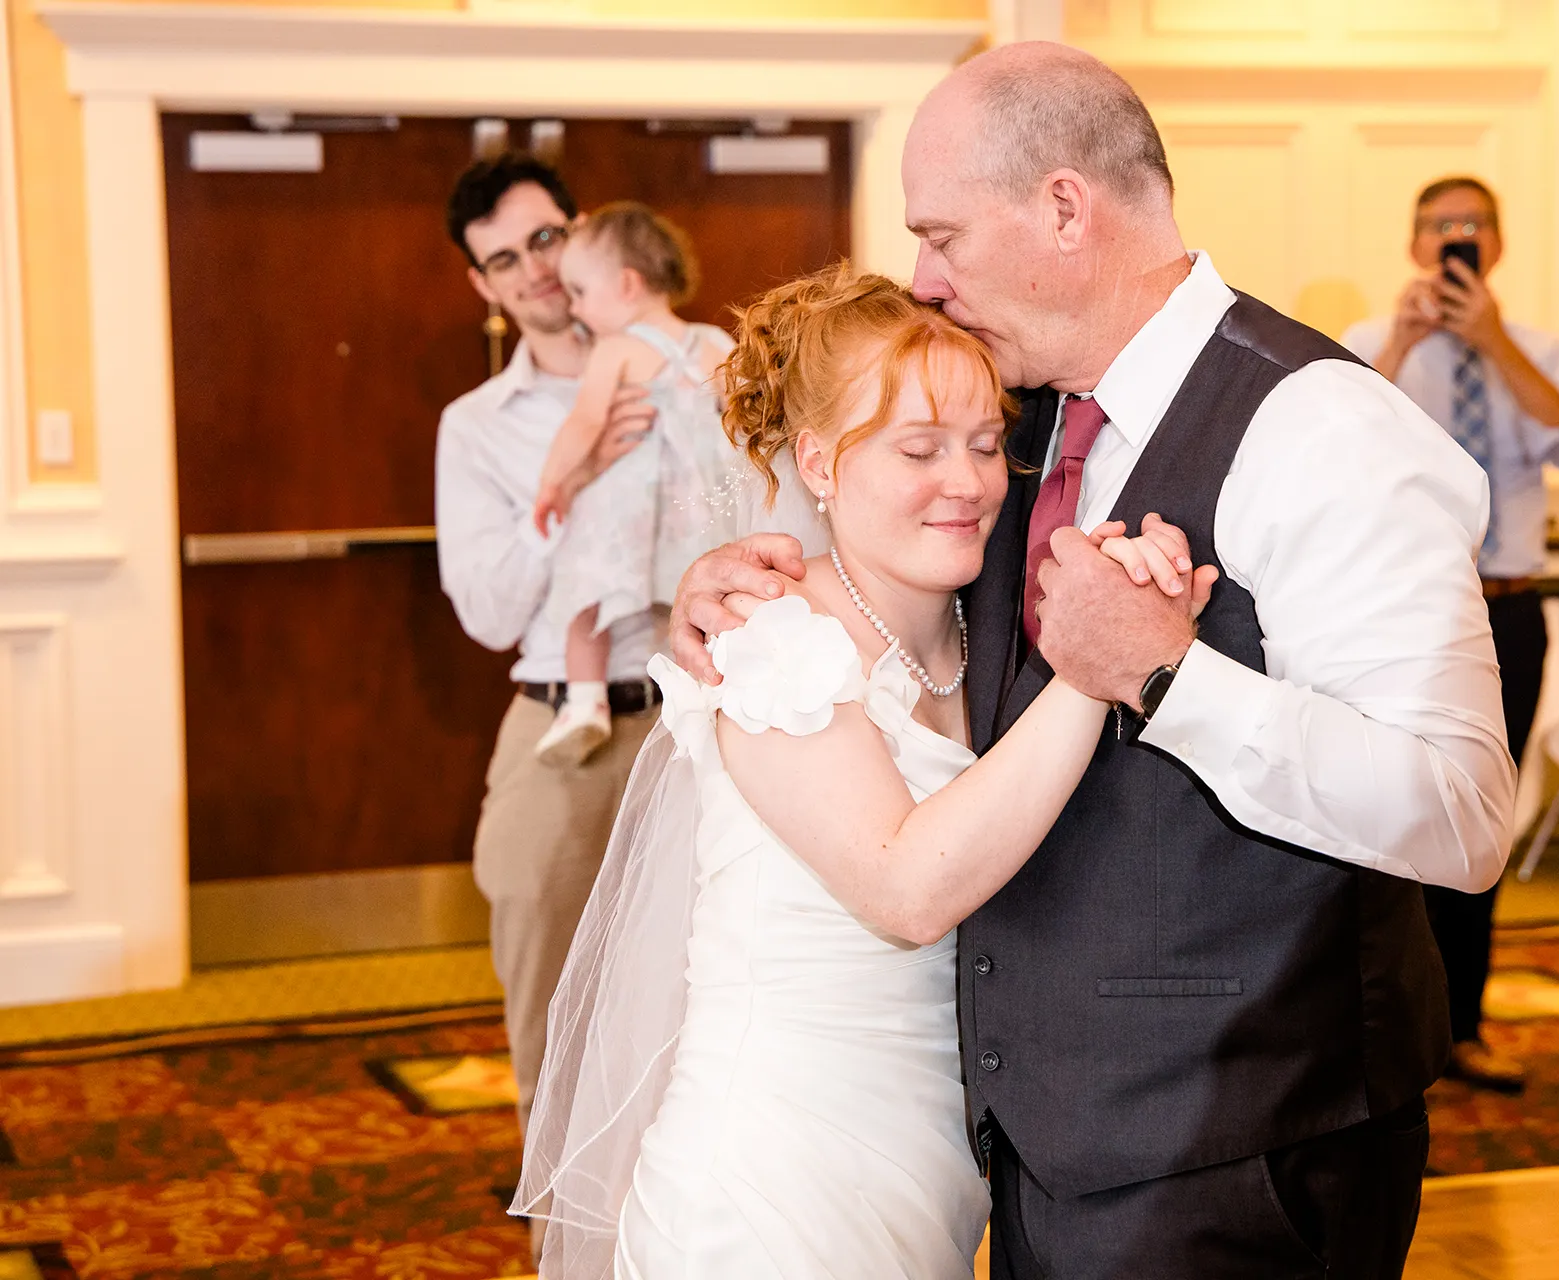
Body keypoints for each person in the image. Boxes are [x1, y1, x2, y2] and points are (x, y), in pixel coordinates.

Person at [670, 42, 1517, 1280]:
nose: (925, 278)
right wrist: (721, 585)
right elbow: (884, 578)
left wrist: (1175, 675)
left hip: (1242, 1160)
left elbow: (1467, 814)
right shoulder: (1009, 416)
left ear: (1065, 208)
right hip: (1031, 1157)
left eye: (943, 235)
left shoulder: (1322, 426)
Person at [513, 266, 1212, 1277]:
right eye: (917, 449)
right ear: (821, 464)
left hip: (932, 1157)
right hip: (771, 1167)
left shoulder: (988, 628)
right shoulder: (766, 636)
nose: (967, 483)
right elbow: (907, 886)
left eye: (984, 445)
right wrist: (1097, 666)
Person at [1342, 176, 1559, 1093]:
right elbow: (1334, 443)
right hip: (1405, 605)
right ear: (1416, 243)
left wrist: (1490, 340)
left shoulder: (1535, 350)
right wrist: (1410, 341)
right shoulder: (1370, 346)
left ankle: (1465, 1026)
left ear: (1497, 242)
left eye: (1473, 223)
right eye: (1440, 224)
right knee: (1397, 810)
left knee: (1485, 812)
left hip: (1510, 601)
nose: (1457, 237)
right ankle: (1390, 1026)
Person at [433, 153, 662, 1156]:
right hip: (556, 736)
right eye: (502, 259)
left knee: (699, 1021)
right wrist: (565, 481)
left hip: (691, 720)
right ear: (480, 285)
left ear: (581, 230)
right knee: (555, 1041)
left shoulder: (683, 369)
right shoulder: (476, 428)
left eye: (543, 239)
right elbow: (486, 612)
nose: (531, 269)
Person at [524, 202, 737, 767]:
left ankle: (586, 701)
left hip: (628, 513)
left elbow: (586, 424)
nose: (573, 308)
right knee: (701, 607)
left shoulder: (615, 350)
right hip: (699, 511)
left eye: (578, 292)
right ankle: (710, 695)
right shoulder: (713, 342)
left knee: (584, 598)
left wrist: (551, 483)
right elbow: (749, 418)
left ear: (625, 285)